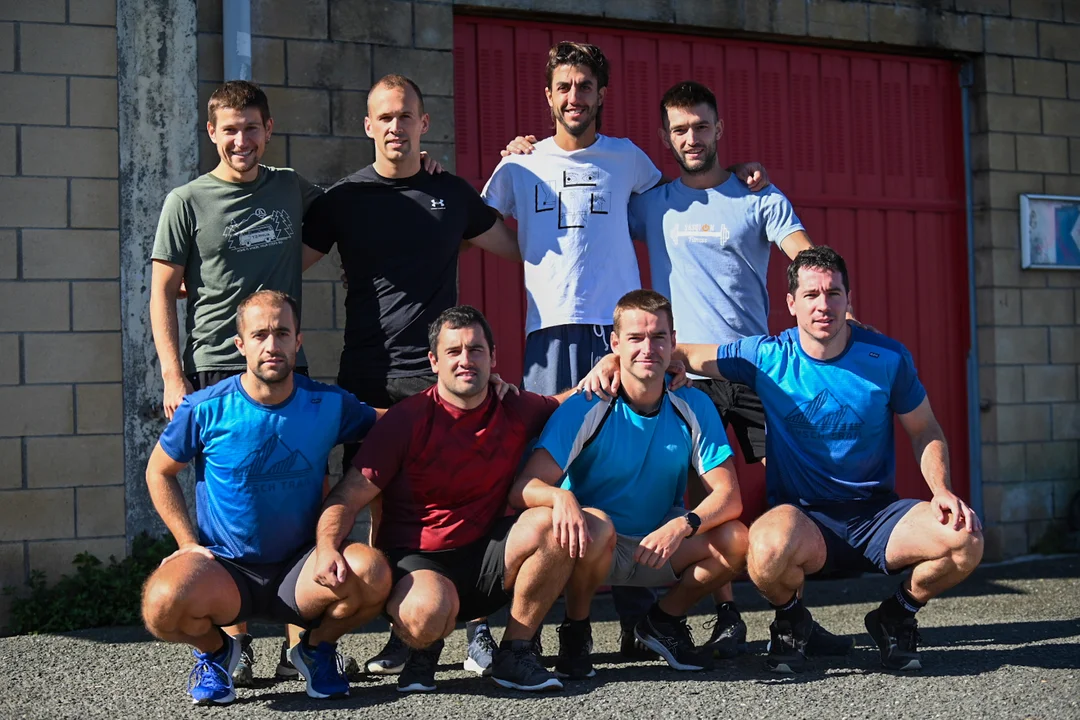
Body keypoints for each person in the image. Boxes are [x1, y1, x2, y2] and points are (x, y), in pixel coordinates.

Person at [484, 42, 765, 656]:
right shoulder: (521, 164)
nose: (574, 97)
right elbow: (480, 227)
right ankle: (527, 617)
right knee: (548, 462)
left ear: (601, 94)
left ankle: (644, 619)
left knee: (647, 457)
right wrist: (528, 251)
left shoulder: (629, 158)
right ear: (548, 95)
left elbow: (684, 194)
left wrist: (739, 177)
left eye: (585, 86)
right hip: (549, 330)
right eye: (564, 86)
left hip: (619, 331)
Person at [593, 247, 984, 673]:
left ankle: (897, 614)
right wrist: (615, 358)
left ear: (849, 300)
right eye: (811, 294)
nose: (823, 305)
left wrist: (941, 490)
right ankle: (792, 618)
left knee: (965, 540)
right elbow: (677, 351)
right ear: (791, 303)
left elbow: (925, 429)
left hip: (876, 516)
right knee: (763, 550)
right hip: (803, 518)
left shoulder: (888, 357)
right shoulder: (767, 356)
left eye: (833, 293)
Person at [301, 74, 522, 678]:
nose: (395, 127)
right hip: (368, 374)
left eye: (406, 116)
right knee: (379, 504)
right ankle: (402, 629)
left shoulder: (450, 192)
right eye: (385, 117)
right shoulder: (342, 199)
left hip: (442, 374)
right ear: (368, 126)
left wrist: (530, 166)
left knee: (466, 493)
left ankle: (477, 628)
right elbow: (283, 263)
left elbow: (524, 245)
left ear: (424, 124)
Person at [623, 80, 851, 659]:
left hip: (753, 370)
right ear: (665, 137)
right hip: (687, 375)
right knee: (702, 495)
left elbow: (804, 255)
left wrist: (837, 308)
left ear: (719, 129)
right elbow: (586, 213)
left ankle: (791, 616)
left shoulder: (759, 197)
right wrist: (532, 154)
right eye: (680, 129)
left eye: (701, 126)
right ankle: (726, 615)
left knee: (785, 487)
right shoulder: (650, 204)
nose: (691, 138)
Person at [149, 79, 328, 686]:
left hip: (283, 357)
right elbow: (161, 293)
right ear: (212, 133)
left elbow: (350, 210)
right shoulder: (186, 201)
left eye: (252, 127)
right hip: (216, 364)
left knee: (300, 490)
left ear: (268, 129)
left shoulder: (291, 187)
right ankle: (235, 644)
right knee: (229, 504)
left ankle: (302, 644)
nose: (241, 139)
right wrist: (173, 375)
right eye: (229, 129)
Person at [141, 290, 390, 705]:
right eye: (260, 335)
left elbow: (395, 424)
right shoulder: (204, 408)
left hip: (302, 569)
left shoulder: (327, 404)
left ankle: (316, 649)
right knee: (161, 605)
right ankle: (217, 653)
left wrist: (463, 396)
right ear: (241, 344)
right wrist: (187, 543)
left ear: (298, 341)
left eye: (282, 333)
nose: (272, 345)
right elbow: (158, 472)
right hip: (227, 569)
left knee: (373, 574)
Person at [314, 306, 580, 693]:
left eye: (475, 350)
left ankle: (515, 652)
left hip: (485, 557)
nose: (465, 360)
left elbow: (570, 402)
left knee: (554, 524)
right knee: (428, 612)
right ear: (434, 361)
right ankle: (422, 649)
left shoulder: (514, 407)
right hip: (419, 560)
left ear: (493, 357)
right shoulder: (405, 419)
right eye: (453, 351)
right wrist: (326, 546)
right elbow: (348, 495)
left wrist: (613, 365)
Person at [511, 290, 748, 679]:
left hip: (658, 544)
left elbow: (729, 496)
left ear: (673, 342)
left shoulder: (693, 403)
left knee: (736, 540)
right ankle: (576, 630)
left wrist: (682, 525)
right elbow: (524, 486)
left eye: (658, 337)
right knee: (599, 525)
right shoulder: (588, 403)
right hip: (591, 547)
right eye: (635, 338)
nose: (648, 348)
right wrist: (561, 498)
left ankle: (663, 621)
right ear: (615, 343)